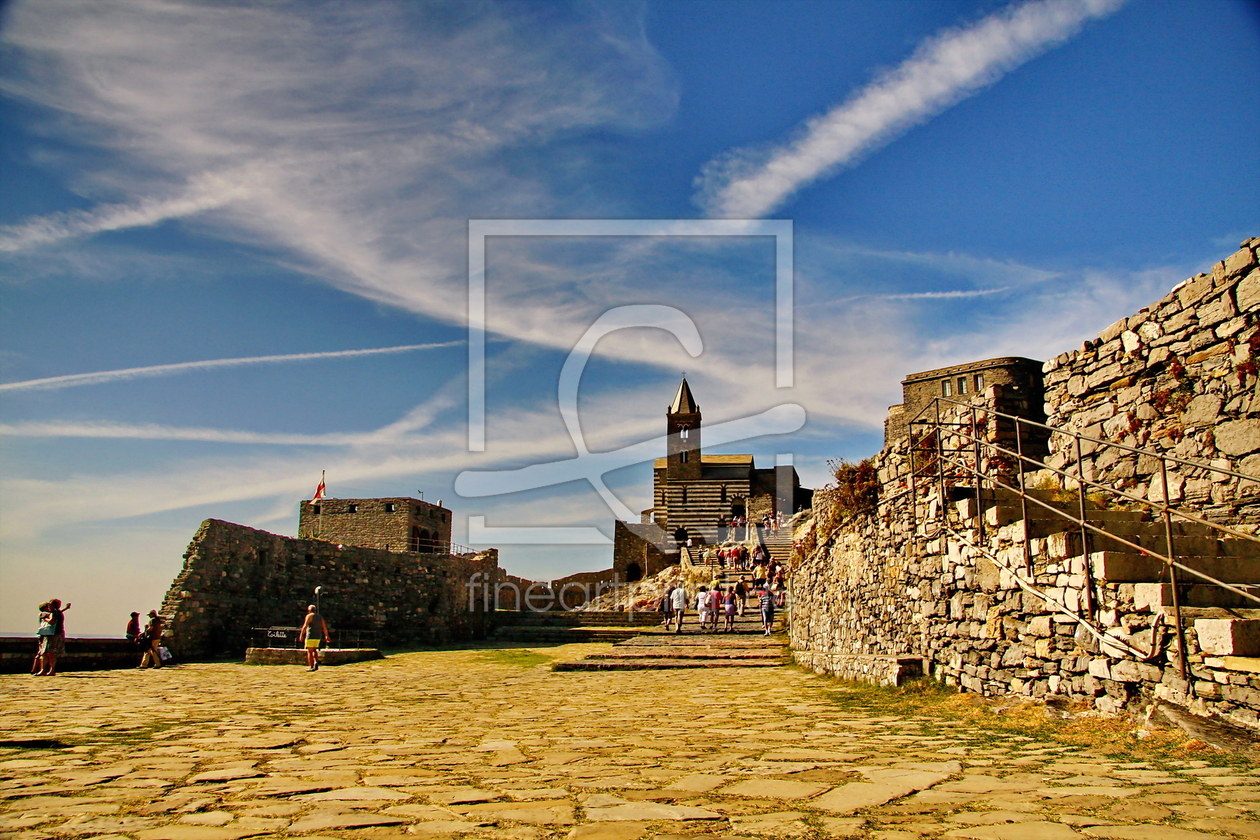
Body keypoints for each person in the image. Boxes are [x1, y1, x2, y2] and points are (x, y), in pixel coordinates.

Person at [33, 599, 70, 676]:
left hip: (53, 634)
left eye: (50, 605)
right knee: (47, 653)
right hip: (53, 634)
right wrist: (66, 608)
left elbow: (52, 621)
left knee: (49, 653)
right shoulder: (57, 612)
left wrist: (44, 618)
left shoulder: (54, 613)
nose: (49, 606)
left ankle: (48, 670)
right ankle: (47, 670)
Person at [299, 604, 330, 671]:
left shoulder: (309, 616)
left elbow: (305, 626)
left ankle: (311, 666)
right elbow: (324, 627)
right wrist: (326, 635)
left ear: (309, 610)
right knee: (314, 650)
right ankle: (316, 661)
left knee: (309, 651)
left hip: (310, 635)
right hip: (317, 636)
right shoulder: (320, 617)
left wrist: (301, 634)